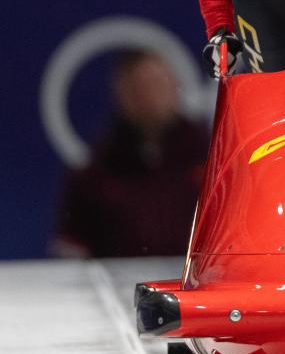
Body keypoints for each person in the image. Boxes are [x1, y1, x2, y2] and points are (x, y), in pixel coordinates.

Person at [54, 49, 209, 257]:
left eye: (156, 85)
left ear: (174, 86)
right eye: (138, 88)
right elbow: (72, 248)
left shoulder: (210, 157)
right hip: (119, 276)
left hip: (200, 274)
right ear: (121, 94)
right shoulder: (97, 171)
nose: (149, 97)